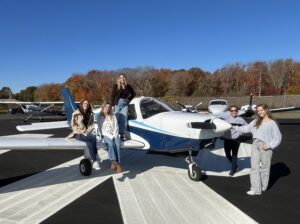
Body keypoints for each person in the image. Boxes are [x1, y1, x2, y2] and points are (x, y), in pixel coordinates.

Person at [233, 103, 282, 195]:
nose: (260, 112)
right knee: (254, 167)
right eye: (258, 111)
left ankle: (263, 187)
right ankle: (256, 189)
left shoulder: (272, 123)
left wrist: (269, 146)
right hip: (255, 145)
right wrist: (234, 127)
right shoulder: (256, 121)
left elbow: (278, 138)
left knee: (265, 168)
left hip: (265, 147)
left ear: (266, 110)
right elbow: (246, 128)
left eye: (261, 110)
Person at [67, 99, 101, 170]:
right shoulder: (76, 113)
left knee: (90, 141)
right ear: (82, 104)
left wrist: (87, 132)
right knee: (92, 138)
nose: (86, 105)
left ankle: (94, 160)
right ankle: (95, 158)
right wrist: (82, 132)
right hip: (77, 133)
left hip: (86, 133)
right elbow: (74, 126)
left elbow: (91, 125)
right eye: (85, 103)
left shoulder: (90, 114)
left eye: (87, 104)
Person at [217, 105, 248, 176]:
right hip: (227, 140)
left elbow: (247, 127)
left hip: (236, 140)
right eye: (232, 110)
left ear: (237, 111)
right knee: (227, 154)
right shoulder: (226, 119)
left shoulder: (241, 120)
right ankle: (235, 165)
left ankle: (233, 169)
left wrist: (241, 131)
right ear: (229, 112)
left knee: (234, 155)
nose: (233, 112)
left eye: (235, 110)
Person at [97, 101, 123, 173]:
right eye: (106, 107)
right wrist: (111, 136)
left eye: (108, 107)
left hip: (115, 134)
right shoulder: (99, 117)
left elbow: (116, 126)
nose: (107, 108)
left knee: (118, 144)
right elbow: (101, 130)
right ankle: (115, 162)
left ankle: (116, 162)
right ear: (103, 107)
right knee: (111, 144)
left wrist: (115, 135)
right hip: (106, 135)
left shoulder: (113, 115)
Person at [111, 73, 136, 141]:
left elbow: (134, 94)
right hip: (118, 103)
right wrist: (112, 105)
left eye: (124, 77)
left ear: (125, 78)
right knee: (116, 118)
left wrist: (129, 99)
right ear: (119, 79)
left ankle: (121, 134)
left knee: (124, 119)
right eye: (121, 77)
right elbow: (112, 96)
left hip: (125, 104)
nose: (122, 78)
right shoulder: (116, 86)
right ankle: (113, 133)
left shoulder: (128, 86)